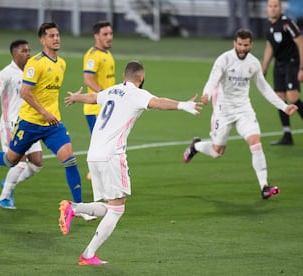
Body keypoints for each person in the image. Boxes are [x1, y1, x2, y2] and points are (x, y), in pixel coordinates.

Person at [58, 60, 202, 265]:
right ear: (141, 78)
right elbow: (159, 102)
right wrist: (183, 105)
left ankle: (74, 209)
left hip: (93, 154)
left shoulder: (112, 90)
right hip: (112, 155)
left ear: (124, 76)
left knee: (112, 205)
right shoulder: (138, 94)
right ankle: (87, 251)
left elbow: (92, 97)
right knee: (117, 209)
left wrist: (75, 97)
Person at [0, 22, 93, 219]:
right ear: (42, 40)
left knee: (69, 159)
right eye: (51, 36)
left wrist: (70, 100)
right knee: (10, 160)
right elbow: (25, 93)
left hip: (52, 125)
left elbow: (49, 93)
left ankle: (79, 207)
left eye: (57, 35)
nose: (56, 38)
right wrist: (43, 112)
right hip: (29, 123)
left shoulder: (62, 63)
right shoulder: (35, 63)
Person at [183, 28, 298, 200]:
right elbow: (212, 79)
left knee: (255, 141)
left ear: (251, 44)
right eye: (239, 44)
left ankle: (264, 186)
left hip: (244, 109)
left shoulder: (254, 64)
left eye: (246, 45)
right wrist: (206, 94)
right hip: (224, 110)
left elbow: (264, 88)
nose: (242, 48)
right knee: (217, 152)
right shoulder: (224, 59)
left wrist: (283, 106)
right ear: (234, 43)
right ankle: (196, 146)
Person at [0, 40, 43, 209]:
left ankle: (8, 182)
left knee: (37, 163)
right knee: (19, 162)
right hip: (11, 124)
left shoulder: (31, 72)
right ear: (14, 53)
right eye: (24, 50)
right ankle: (4, 198)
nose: (28, 53)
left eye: (29, 50)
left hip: (29, 123)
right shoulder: (6, 73)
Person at [262, 0, 303, 145]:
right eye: (270, 6)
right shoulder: (268, 26)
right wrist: (264, 67)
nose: (273, 9)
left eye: (276, 6)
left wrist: (302, 68)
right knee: (279, 99)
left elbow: (300, 43)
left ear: (280, 8)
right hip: (278, 65)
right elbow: (270, 47)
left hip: (292, 63)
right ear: (267, 8)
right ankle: (287, 135)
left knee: (292, 97)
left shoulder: (287, 23)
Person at [83, 21, 116, 180]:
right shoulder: (92, 56)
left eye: (110, 34)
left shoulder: (107, 54)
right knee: (102, 144)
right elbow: (88, 79)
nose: (109, 37)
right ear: (96, 36)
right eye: (105, 34)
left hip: (108, 108)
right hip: (95, 109)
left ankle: (97, 172)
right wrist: (103, 94)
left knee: (109, 144)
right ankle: (96, 173)